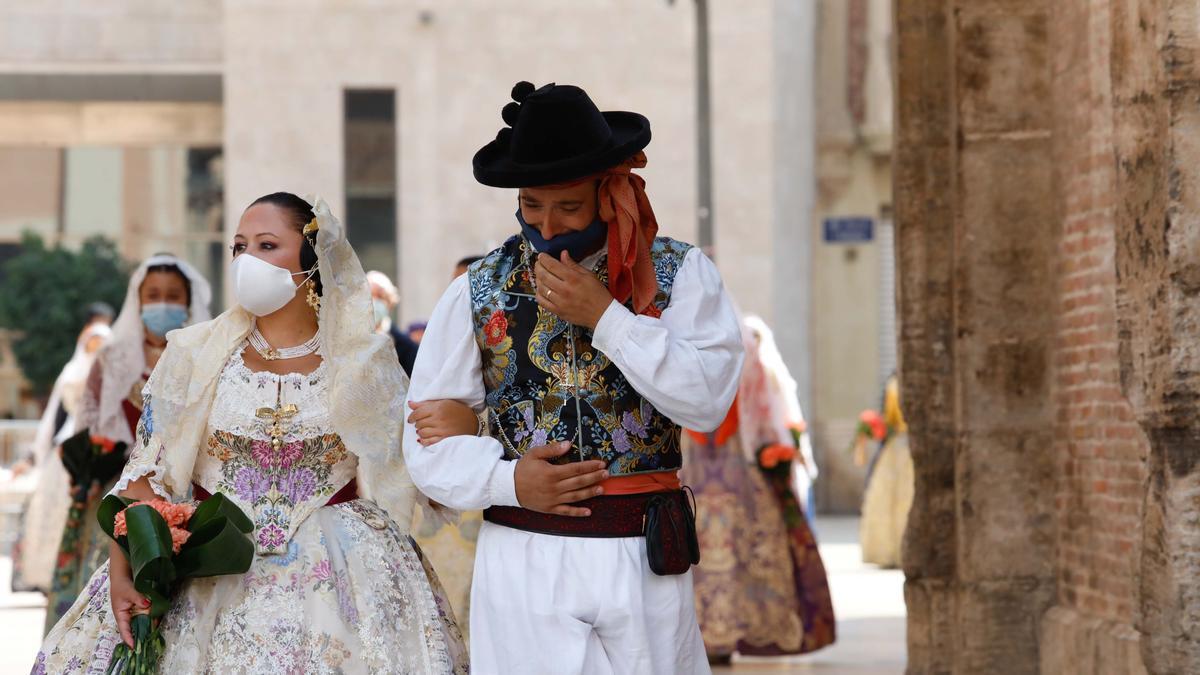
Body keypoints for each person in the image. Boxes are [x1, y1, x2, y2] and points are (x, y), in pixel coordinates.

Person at [33, 192, 467, 673]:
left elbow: (414, 463)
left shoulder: (363, 363)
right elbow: (146, 473)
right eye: (239, 247)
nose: (247, 261)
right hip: (207, 571)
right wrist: (125, 567)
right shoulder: (195, 355)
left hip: (343, 580)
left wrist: (462, 425)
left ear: (312, 258)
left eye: (266, 245)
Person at [404, 81, 744, 674]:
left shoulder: (683, 273)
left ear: (609, 194)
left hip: (644, 559)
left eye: (567, 207)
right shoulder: (475, 289)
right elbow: (425, 445)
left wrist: (607, 318)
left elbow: (707, 401)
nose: (548, 226)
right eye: (532, 205)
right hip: (523, 559)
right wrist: (509, 481)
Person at [42, 255, 211, 631]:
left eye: (173, 295)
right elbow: (89, 423)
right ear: (138, 300)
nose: (162, 303)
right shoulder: (112, 359)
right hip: (116, 492)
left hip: (180, 491)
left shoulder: (202, 358)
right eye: (153, 295)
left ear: (188, 302)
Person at [681, 315, 835, 662]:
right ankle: (717, 632)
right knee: (723, 545)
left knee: (728, 545)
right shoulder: (743, 347)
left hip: (718, 463)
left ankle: (717, 633)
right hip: (712, 465)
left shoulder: (724, 344)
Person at [10, 314, 113, 593]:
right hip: (68, 450)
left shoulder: (114, 373)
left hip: (103, 449)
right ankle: (55, 581)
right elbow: (53, 418)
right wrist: (32, 457)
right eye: (92, 342)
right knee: (55, 516)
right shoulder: (71, 372)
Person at [859, 373, 913, 568]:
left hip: (896, 445)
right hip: (908, 443)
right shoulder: (903, 383)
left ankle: (890, 549)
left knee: (892, 497)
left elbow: (889, 419)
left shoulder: (892, 384)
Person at [367, 270, 420, 375]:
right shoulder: (348, 339)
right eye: (369, 296)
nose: (374, 301)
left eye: (380, 296)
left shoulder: (407, 347)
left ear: (390, 301)